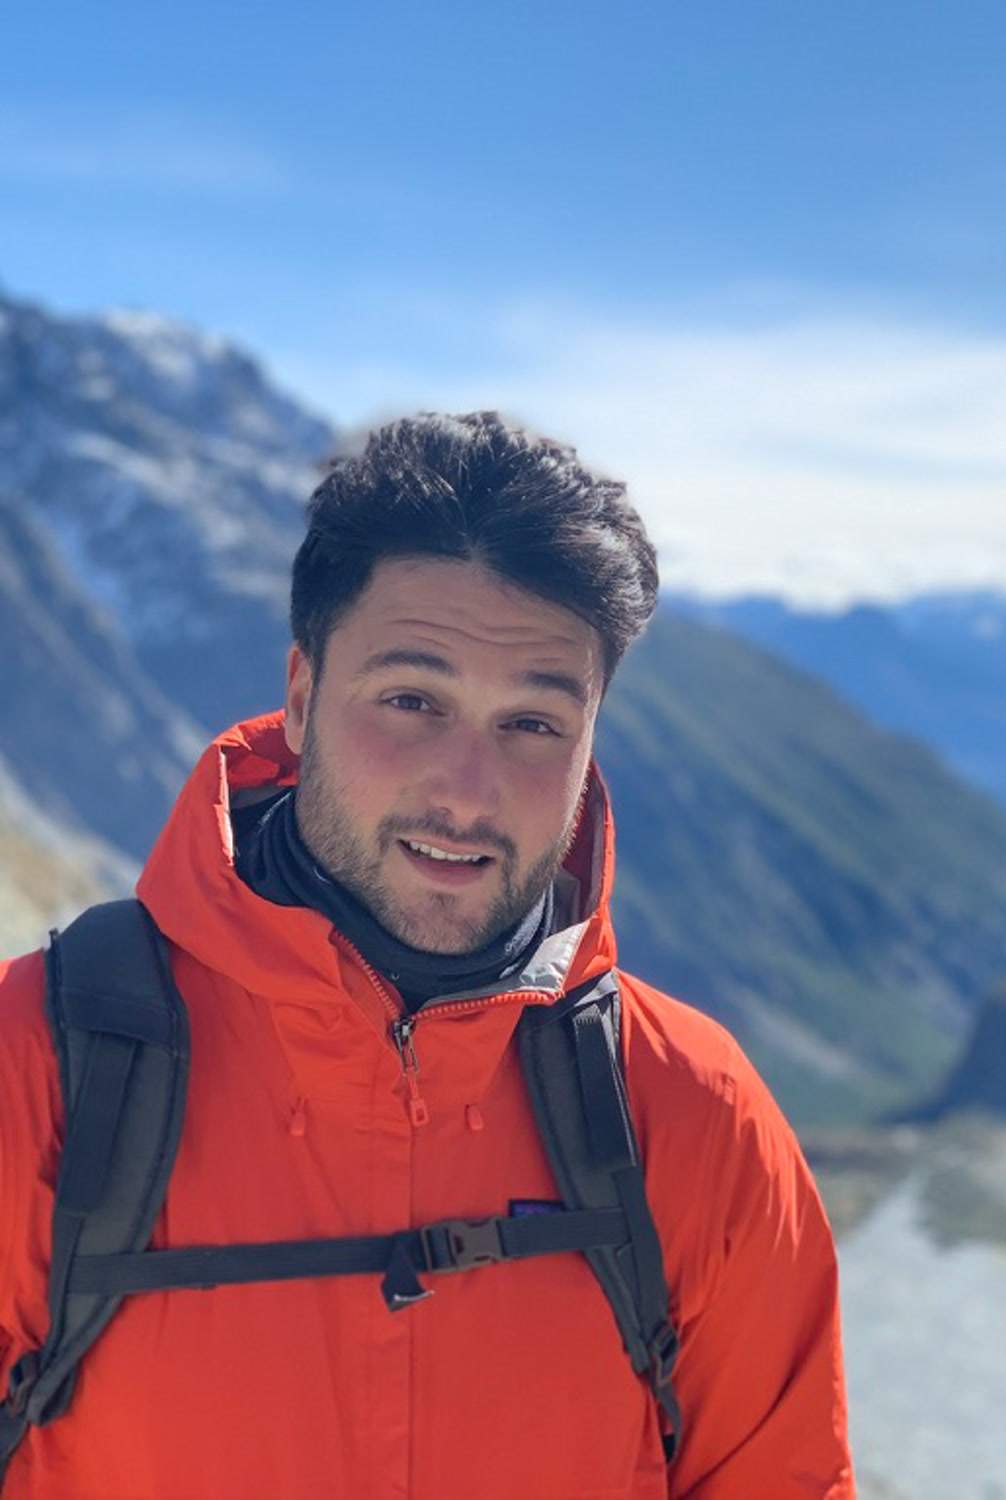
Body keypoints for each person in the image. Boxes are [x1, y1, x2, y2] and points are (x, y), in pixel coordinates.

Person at [0, 413, 855, 1498]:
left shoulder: (692, 1112)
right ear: (301, 700)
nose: (465, 792)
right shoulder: (40, 1066)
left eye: (533, 724)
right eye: (412, 701)